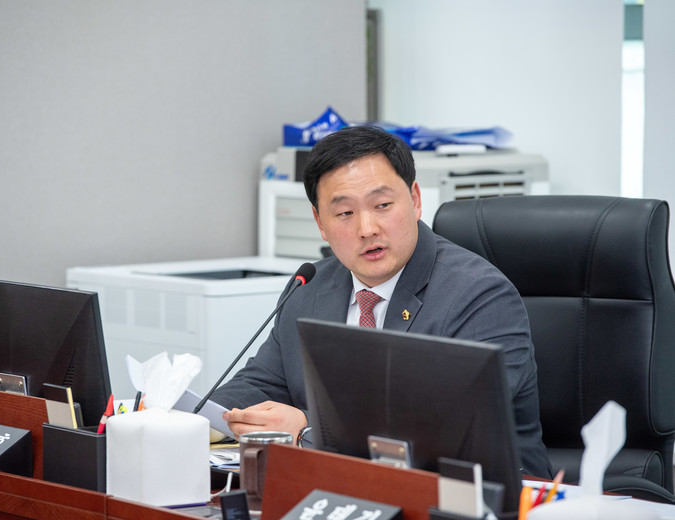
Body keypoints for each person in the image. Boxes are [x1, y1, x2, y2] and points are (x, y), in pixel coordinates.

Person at [211, 125, 552, 478]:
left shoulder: (481, 296)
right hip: (342, 487)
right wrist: (196, 418)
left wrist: (307, 431)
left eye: (383, 205)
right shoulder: (309, 287)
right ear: (320, 223)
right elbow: (260, 384)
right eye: (345, 213)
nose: (367, 228)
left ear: (415, 200)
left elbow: (446, 429)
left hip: (481, 493)